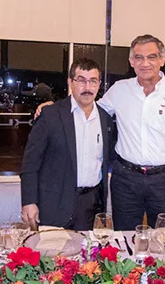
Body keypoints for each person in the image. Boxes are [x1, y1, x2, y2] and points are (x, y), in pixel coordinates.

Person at [36, 34, 165, 230]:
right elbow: (90, 109)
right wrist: (57, 108)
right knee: (124, 237)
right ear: (131, 61)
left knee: (163, 237)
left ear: (162, 59)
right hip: (126, 180)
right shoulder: (120, 90)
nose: (145, 63)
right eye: (138, 57)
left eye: (151, 57)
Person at [20, 58, 115, 231]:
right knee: (51, 248)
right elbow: (30, 163)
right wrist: (29, 201)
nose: (87, 87)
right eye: (81, 80)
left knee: (88, 249)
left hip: (90, 206)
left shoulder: (105, 119)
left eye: (93, 81)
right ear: (71, 82)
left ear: (99, 84)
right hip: (54, 204)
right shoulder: (50, 115)